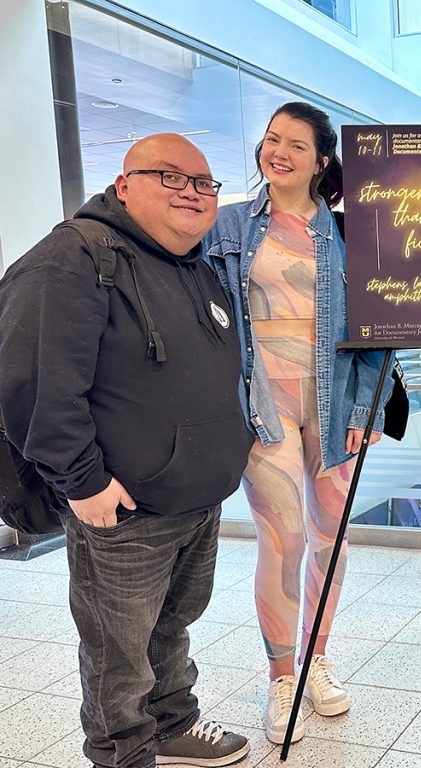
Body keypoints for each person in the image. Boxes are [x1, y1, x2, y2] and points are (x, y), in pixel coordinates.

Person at [0, 134, 253, 768]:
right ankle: (123, 753)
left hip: (195, 499)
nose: (190, 193)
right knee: (119, 651)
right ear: (123, 184)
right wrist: (83, 483)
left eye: (203, 183)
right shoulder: (72, 259)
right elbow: (32, 384)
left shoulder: (193, 264)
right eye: (170, 177)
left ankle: (171, 725)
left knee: (171, 625)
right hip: (122, 509)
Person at [203, 101, 393, 744]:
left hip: (336, 404)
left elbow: (382, 329)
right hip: (264, 406)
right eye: (270, 139)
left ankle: (317, 659)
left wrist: (366, 408)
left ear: (321, 159)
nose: (276, 151)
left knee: (330, 538)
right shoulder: (226, 227)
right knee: (281, 541)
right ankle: (282, 673)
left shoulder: (352, 235)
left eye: (293, 144)